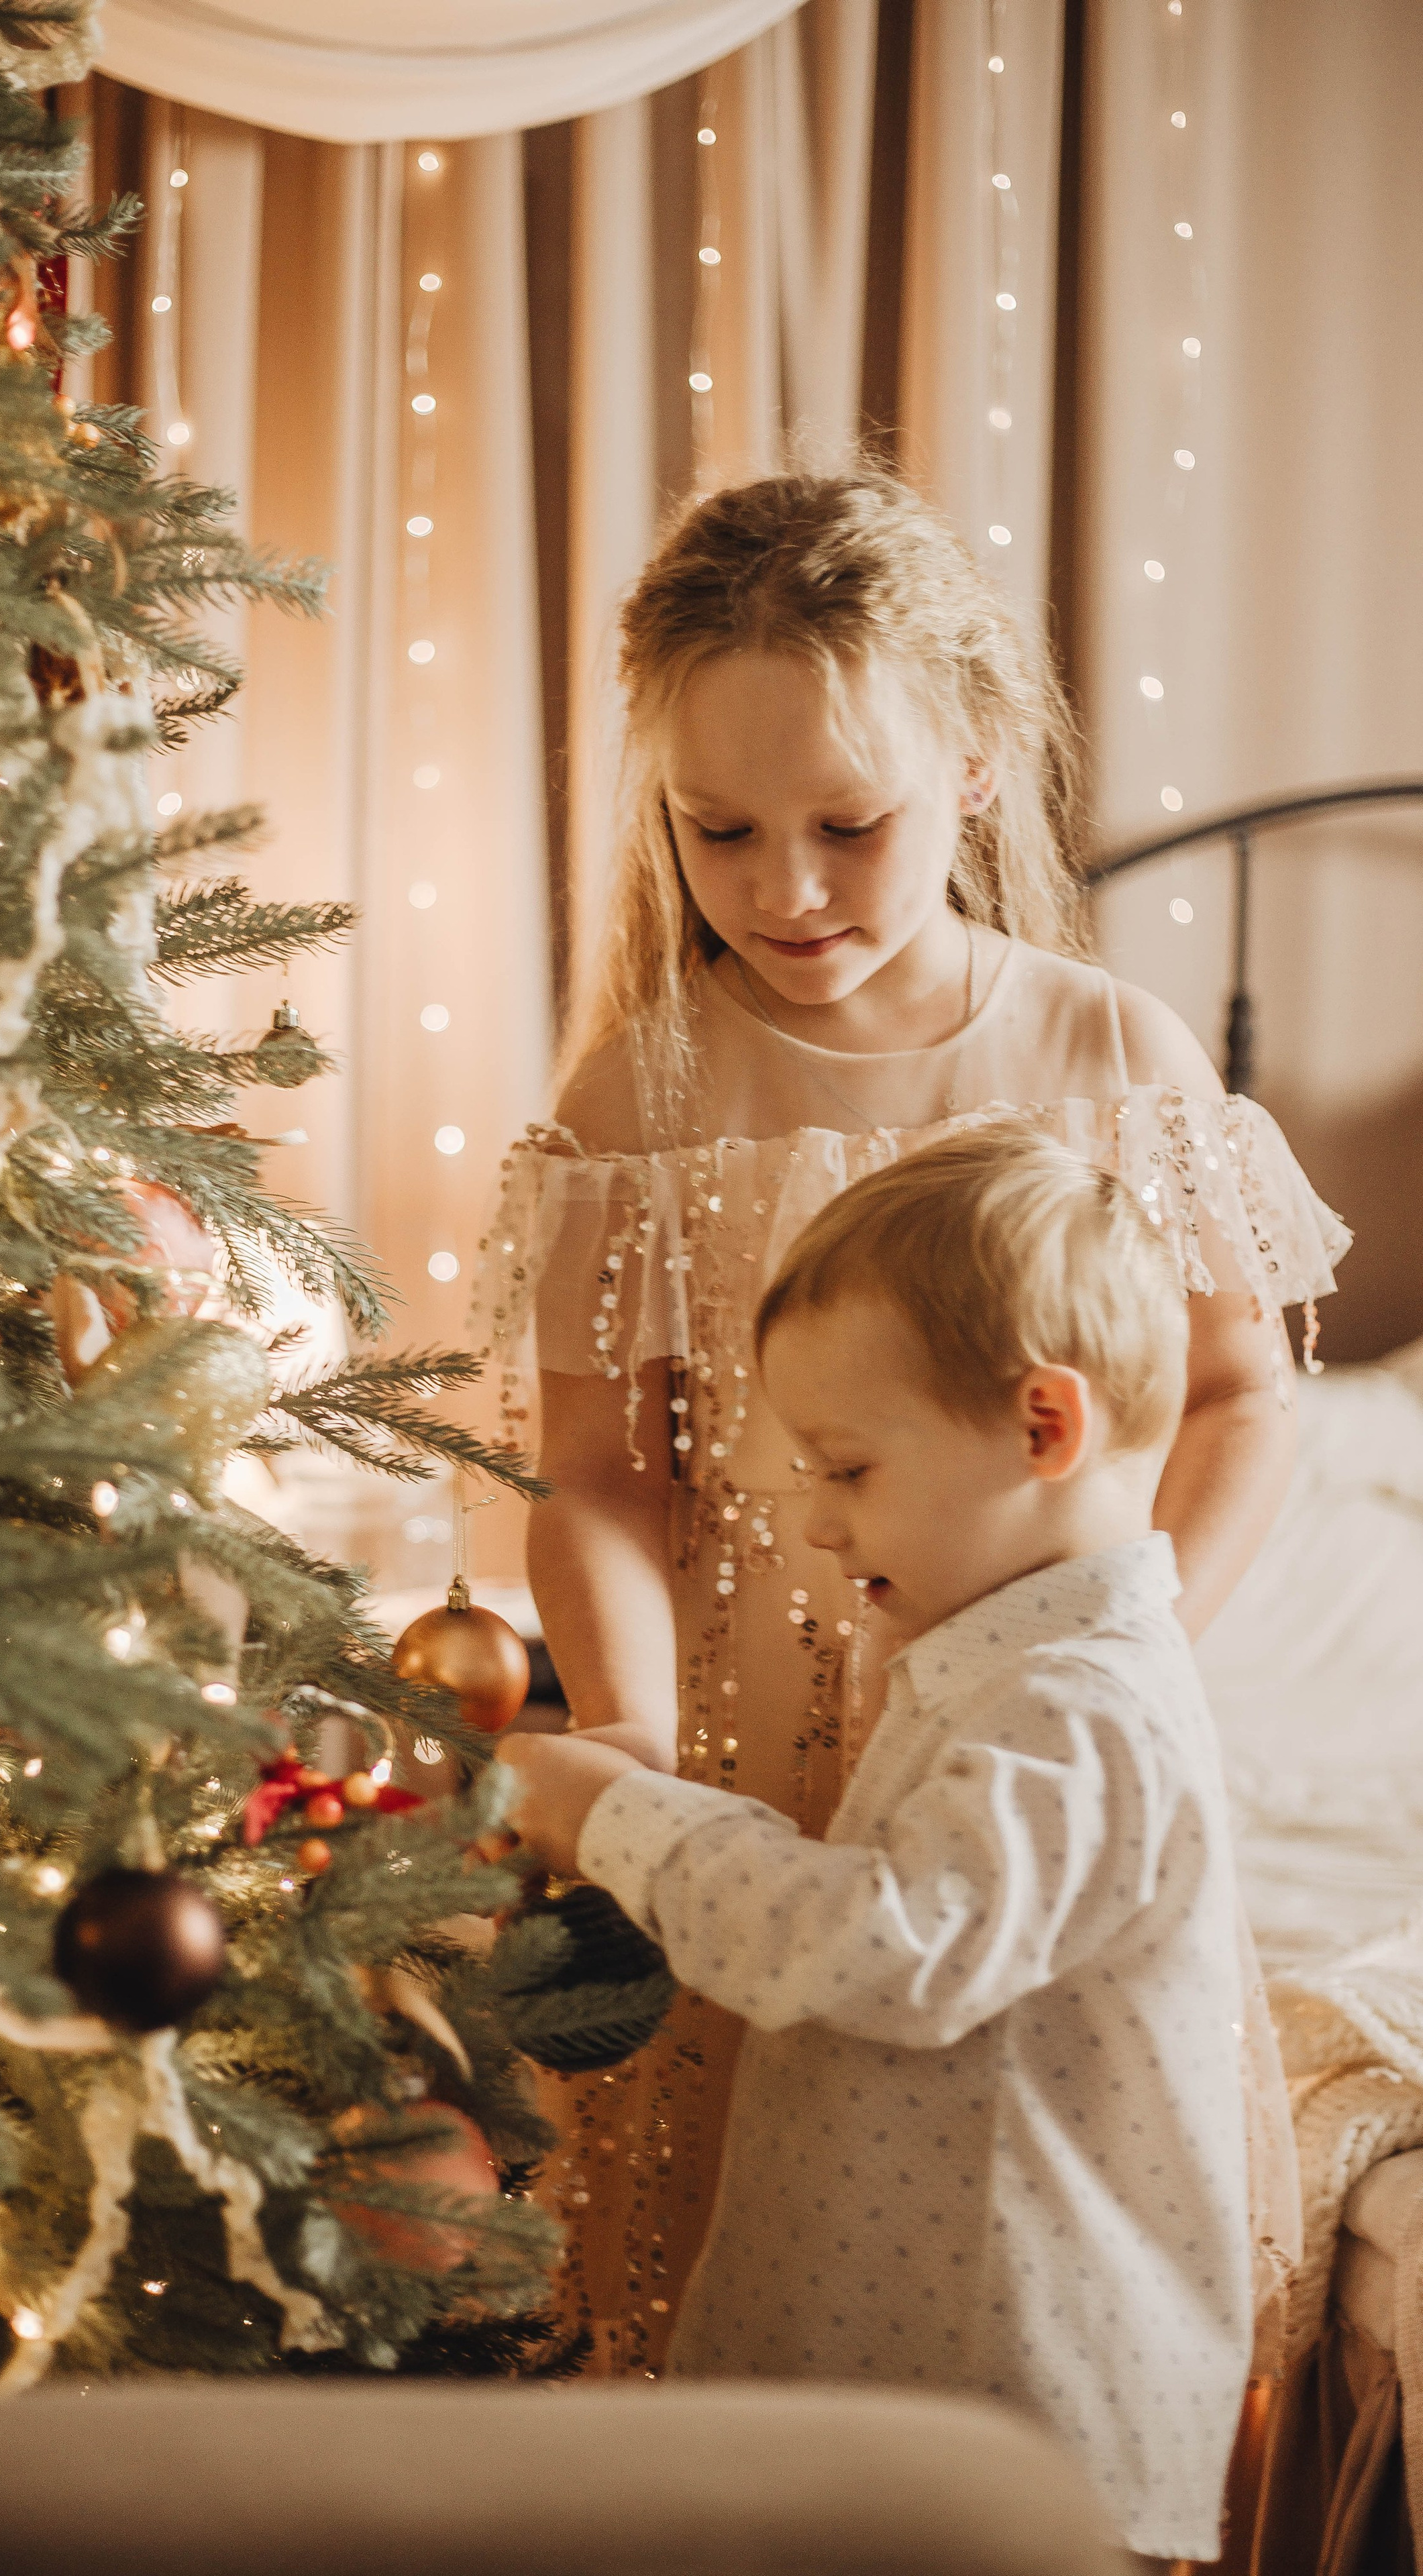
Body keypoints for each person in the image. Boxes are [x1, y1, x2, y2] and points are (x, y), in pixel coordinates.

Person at [474, 464, 1342, 2370]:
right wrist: (634, 1749)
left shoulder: (1110, 1056)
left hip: (1039, 1741)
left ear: (971, 767)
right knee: (749, 2254)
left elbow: (1234, 1392)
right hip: (745, 1759)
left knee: (1037, 2247)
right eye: (719, 831)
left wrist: (1114, 1652)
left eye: (847, 826)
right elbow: (600, 1479)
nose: (783, 890)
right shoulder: (640, 1094)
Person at [499, 1127, 1254, 2566]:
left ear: (1044, 1427)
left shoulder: (1080, 1707)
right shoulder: (998, 1664)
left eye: (845, 1469)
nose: (821, 1525)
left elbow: (889, 1946)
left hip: (1008, 2409)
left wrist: (610, 1815)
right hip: (922, 2378)